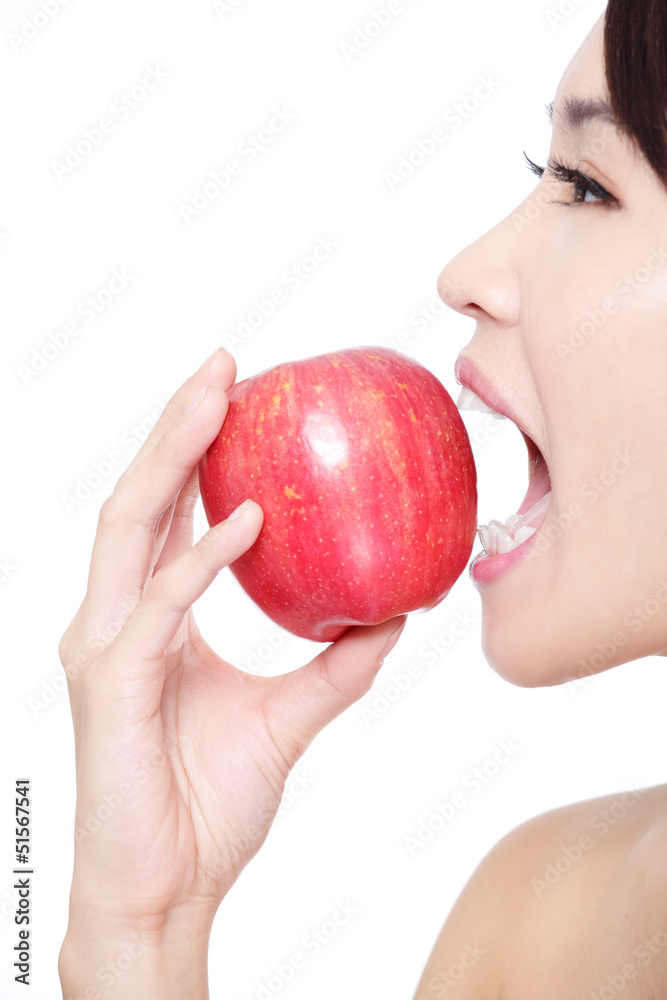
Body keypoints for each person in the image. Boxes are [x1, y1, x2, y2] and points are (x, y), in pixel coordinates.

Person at [57, 4, 667, 997]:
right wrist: (140, 936)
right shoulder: (529, 927)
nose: (463, 275)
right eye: (540, 171)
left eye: (589, 184)